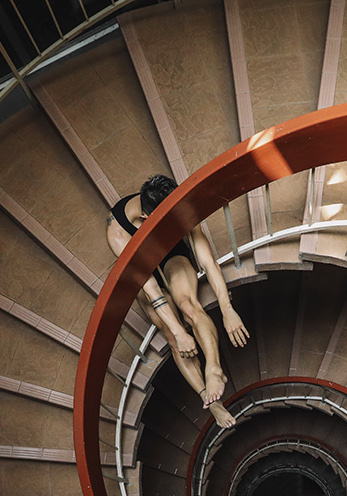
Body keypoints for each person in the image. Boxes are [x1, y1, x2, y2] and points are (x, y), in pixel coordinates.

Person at [106, 174, 249, 428]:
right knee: (173, 337)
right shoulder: (118, 232)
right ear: (146, 218)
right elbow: (153, 291)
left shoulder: (181, 207)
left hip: (172, 256)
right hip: (141, 269)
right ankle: (209, 400)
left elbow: (207, 261)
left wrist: (227, 309)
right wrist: (179, 333)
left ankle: (214, 369)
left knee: (188, 306)